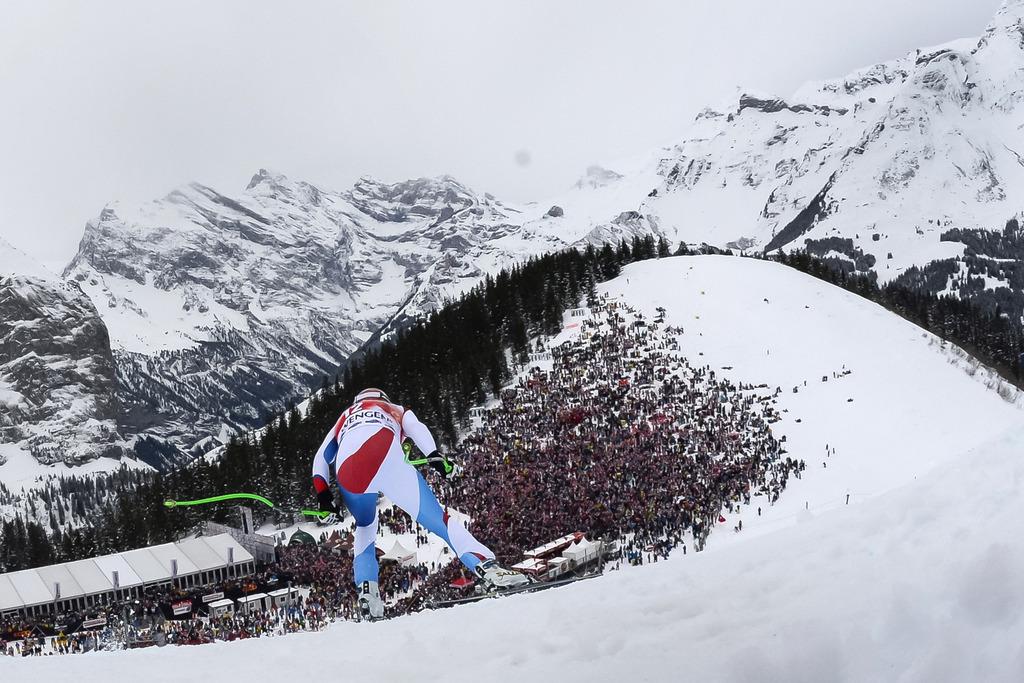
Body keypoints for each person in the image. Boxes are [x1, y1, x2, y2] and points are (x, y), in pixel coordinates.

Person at [311, 387, 528, 619]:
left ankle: (368, 594)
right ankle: (488, 568)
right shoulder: (393, 408)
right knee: (439, 521)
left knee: (365, 525)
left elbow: (321, 456)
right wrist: (435, 455)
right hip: (385, 452)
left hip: (348, 469)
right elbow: (417, 428)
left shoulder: (343, 417)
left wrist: (324, 497)